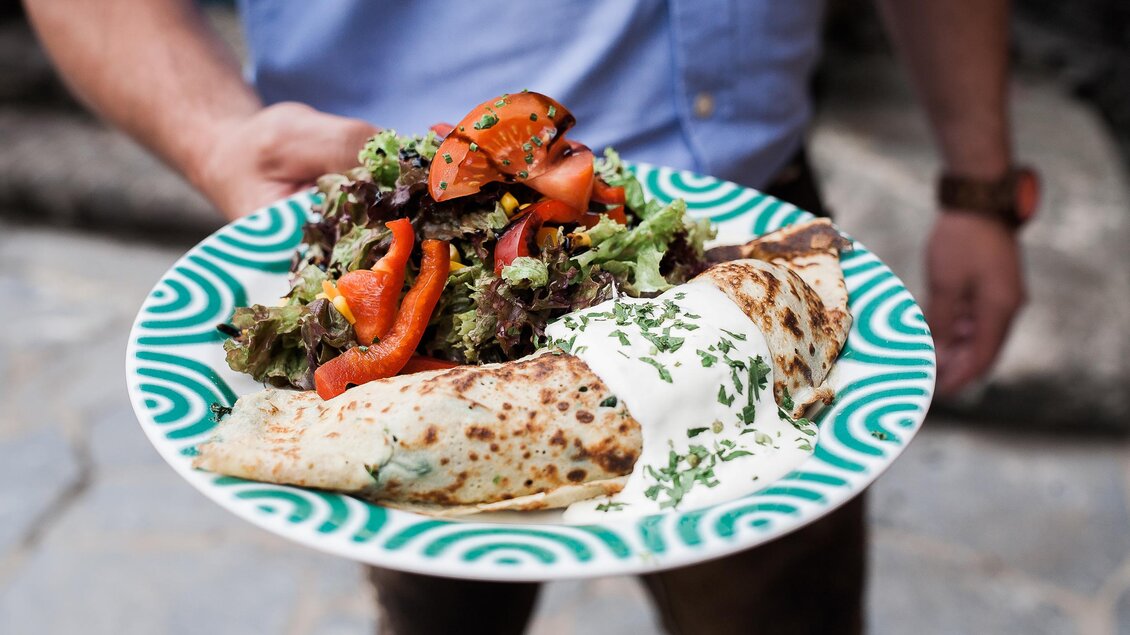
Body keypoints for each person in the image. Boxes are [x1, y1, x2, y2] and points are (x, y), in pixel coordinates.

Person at [25, 1, 1028, 633]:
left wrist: (979, 185)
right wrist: (217, 137)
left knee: (783, 612)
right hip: (395, 301)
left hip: (738, 253)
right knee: (434, 586)